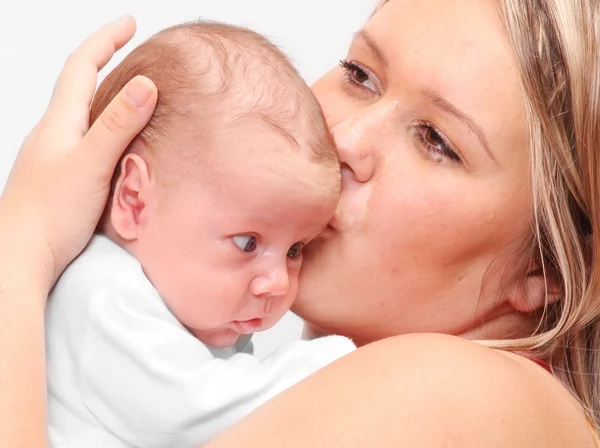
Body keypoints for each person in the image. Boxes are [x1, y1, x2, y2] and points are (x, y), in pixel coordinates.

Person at [2, 0, 600, 446]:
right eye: (360, 75)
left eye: (437, 142)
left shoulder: (461, 393)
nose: (340, 140)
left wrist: (23, 241)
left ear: (544, 268)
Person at [46, 21, 354, 448]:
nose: (279, 282)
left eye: (296, 248)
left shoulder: (184, 314)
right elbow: (201, 414)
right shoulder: (103, 296)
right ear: (134, 200)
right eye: (248, 243)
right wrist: (344, 363)